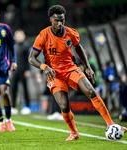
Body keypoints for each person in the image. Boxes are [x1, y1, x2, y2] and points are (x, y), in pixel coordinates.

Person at [28, 4, 127, 141]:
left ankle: (111, 123)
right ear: (51, 20)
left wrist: (87, 66)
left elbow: (78, 47)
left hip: (71, 68)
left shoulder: (71, 33)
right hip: (54, 73)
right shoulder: (43, 35)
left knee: (91, 91)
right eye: (57, 20)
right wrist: (45, 67)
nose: (60, 23)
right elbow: (31, 58)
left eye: (62, 20)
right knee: (64, 105)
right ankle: (74, 132)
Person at [11, 29, 31, 115]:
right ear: (15, 37)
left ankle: (26, 106)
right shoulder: (13, 46)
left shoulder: (26, 46)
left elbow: (29, 59)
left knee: (25, 89)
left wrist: (28, 70)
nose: (19, 37)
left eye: (21, 35)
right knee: (13, 89)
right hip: (15, 71)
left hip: (23, 71)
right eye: (17, 36)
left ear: (24, 36)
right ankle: (13, 106)